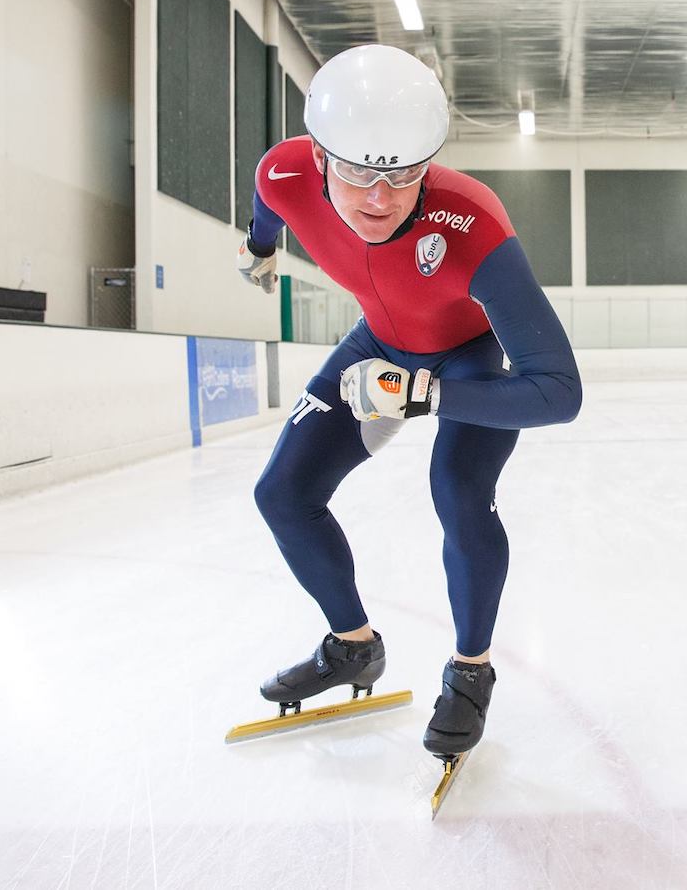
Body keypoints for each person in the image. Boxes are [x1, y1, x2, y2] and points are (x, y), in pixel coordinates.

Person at [235, 44, 581, 760]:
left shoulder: (471, 222)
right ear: (321, 157)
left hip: (464, 362)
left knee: (457, 492)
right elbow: (267, 204)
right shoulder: (285, 170)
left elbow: (559, 391)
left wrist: (426, 394)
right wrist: (260, 248)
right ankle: (352, 646)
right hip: (377, 343)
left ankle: (471, 670)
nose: (380, 200)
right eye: (360, 172)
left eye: (403, 174)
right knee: (282, 493)